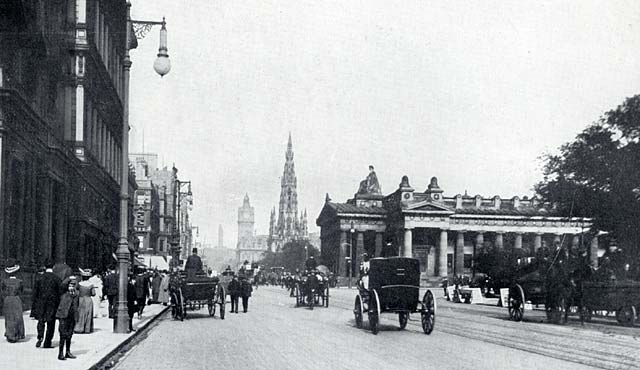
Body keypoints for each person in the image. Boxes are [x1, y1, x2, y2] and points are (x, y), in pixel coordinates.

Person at [33, 259, 61, 348]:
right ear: (54, 267)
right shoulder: (57, 278)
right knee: (51, 323)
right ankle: (47, 342)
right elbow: (60, 292)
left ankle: (40, 336)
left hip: (41, 302)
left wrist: (35, 303)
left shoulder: (39, 277)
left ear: (45, 267)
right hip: (52, 303)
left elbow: (35, 292)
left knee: (41, 321)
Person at [56, 277, 78, 360]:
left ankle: (68, 352)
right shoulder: (63, 292)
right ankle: (60, 353)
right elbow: (62, 285)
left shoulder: (76, 294)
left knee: (69, 334)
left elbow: (77, 305)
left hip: (71, 316)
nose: (71, 287)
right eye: (70, 285)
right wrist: (69, 278)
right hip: (63, 315)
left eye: (73, 285)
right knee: (62, 334)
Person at [2, 261, 25, 343]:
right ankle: (17, 334)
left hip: (7, 299)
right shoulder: (19, 281)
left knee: (9, 317)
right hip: (16, 299)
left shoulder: (4, 281)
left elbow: (3, 291)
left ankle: (9, 333)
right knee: (17, 316)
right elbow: (21, 291)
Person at [74, 268, 95, 333]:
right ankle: (87, 329)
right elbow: (93, 293)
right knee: (88, 314)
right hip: (88, 299)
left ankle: (79, 328)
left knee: (80, 314)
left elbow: (76, 291)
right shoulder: (91, 285)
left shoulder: (79, 284)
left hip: (81, 299)